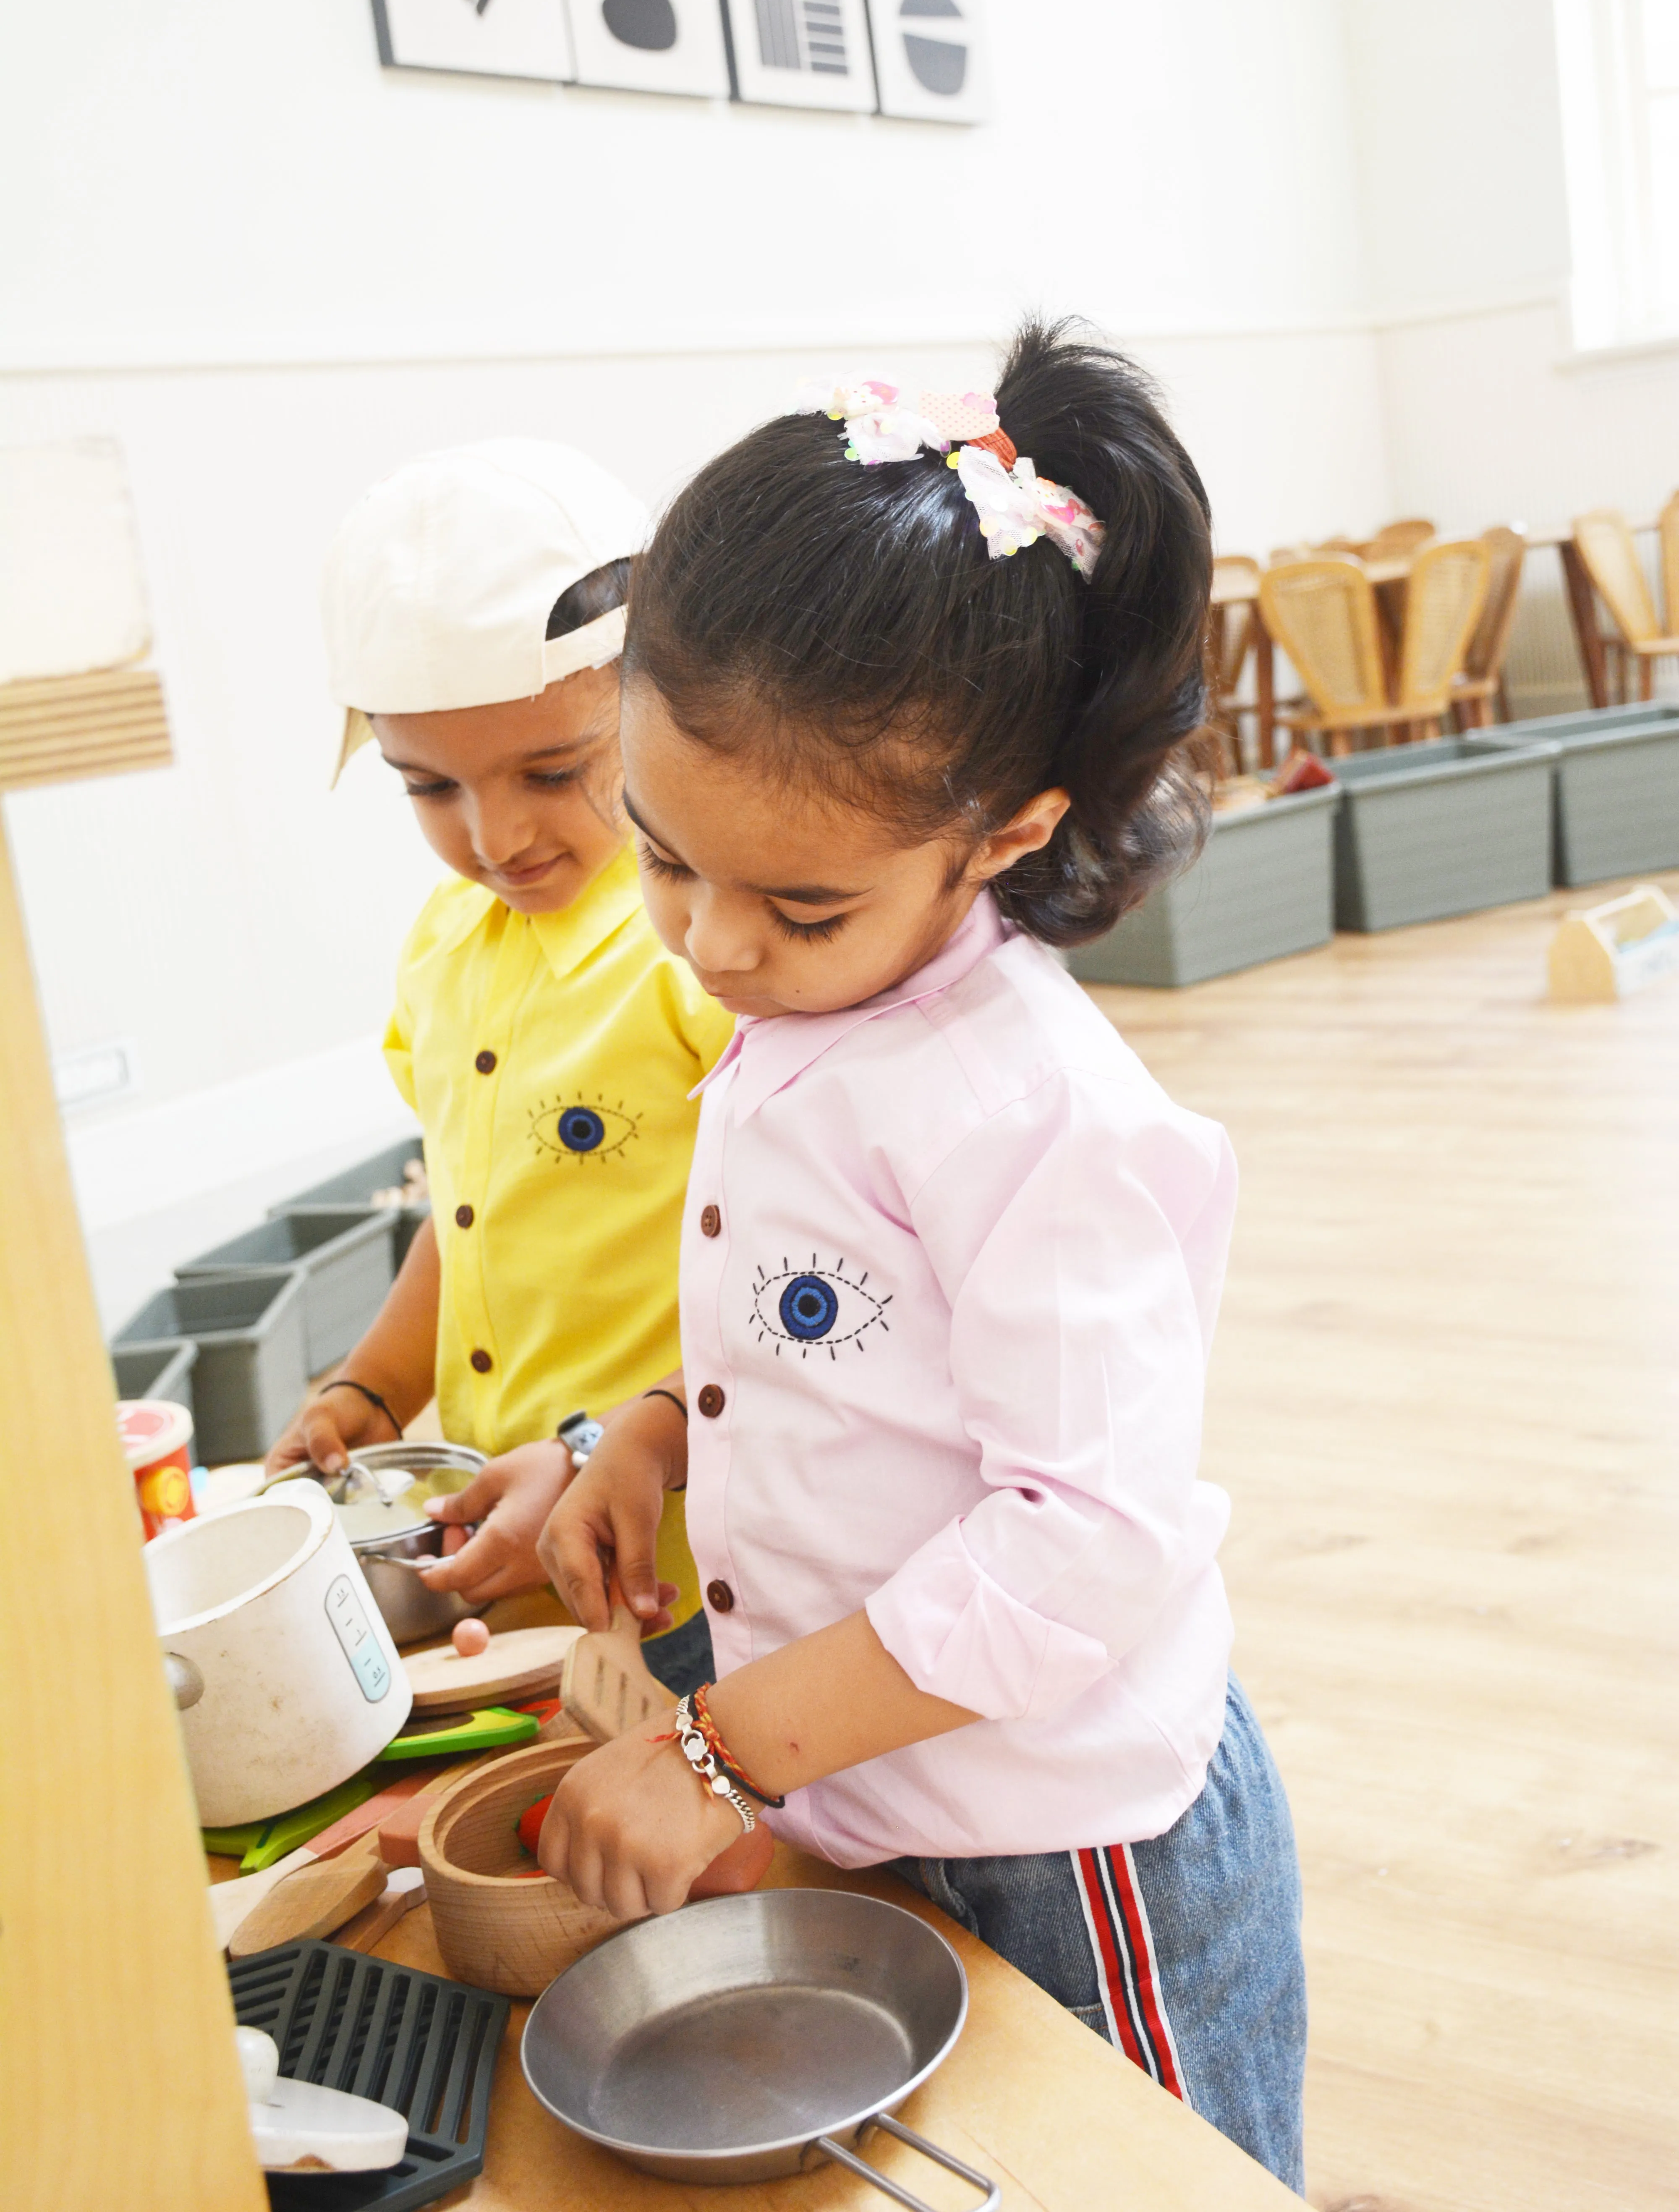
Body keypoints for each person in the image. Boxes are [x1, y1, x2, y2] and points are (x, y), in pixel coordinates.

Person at [533, 325, 1308, 2186]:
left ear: (1010, 836)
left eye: (796, 905)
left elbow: (1084, 1542)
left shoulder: (1041, 1113)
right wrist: (653, 1436)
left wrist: (719, 1752)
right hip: (872, 1781)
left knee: (1144, 2177)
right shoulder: (810, 1000)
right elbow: (846, 1349)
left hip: (1065, 1840)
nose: (711, 947)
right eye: (662, 859)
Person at [264, 440, 731, 1694]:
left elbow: (797, 1272)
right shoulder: (445, 943)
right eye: (430, 788)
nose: (495, 836)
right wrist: (375, 1381)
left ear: (654, 703)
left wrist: (605, 1450)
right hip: (499, 1533)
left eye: (550, 772)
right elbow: (462, 1208)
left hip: (672, 1552)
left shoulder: (702, 949)